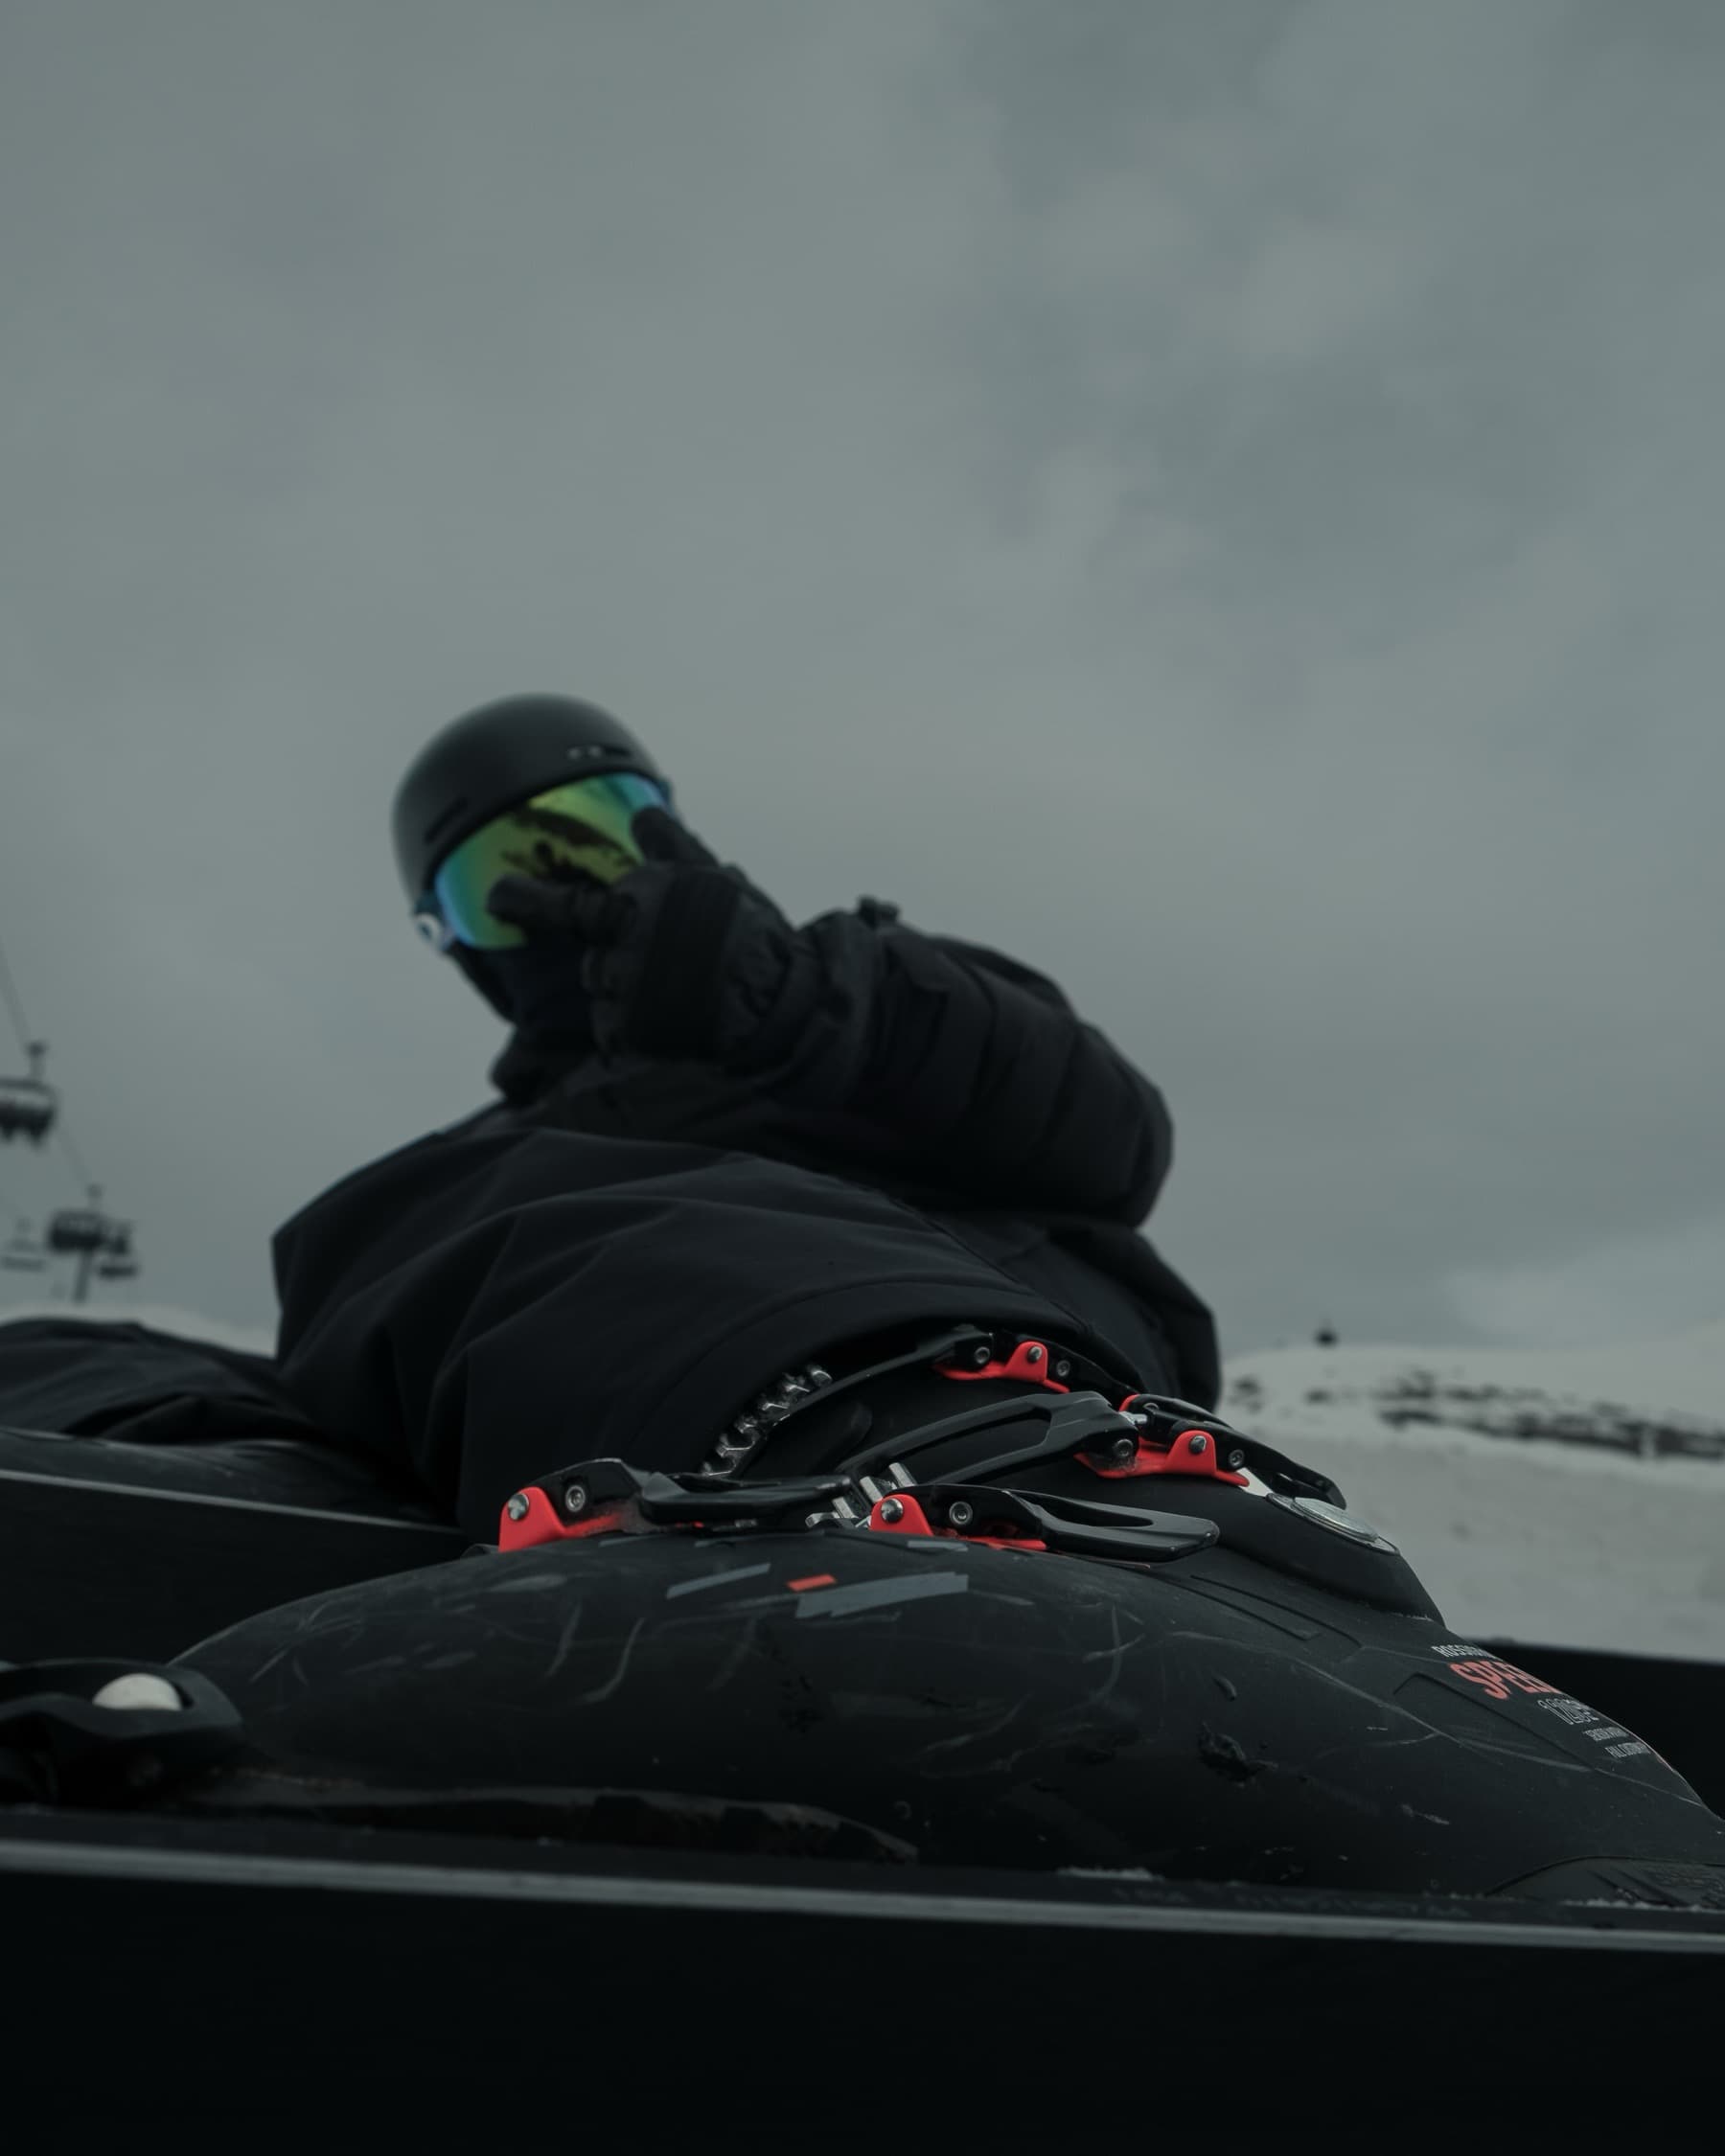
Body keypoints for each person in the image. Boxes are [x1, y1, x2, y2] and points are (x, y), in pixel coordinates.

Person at [272, 694, 1221, 1541]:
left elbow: (1118, 1143)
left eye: (597, 832)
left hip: (1006, 1347)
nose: (566, 887)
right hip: (663, 1453)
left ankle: (939, 1453)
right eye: (500, 881)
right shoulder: (489, 1177)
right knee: (357, 1236)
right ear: (454, 944)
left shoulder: (867, 989)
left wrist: (799, 1002)